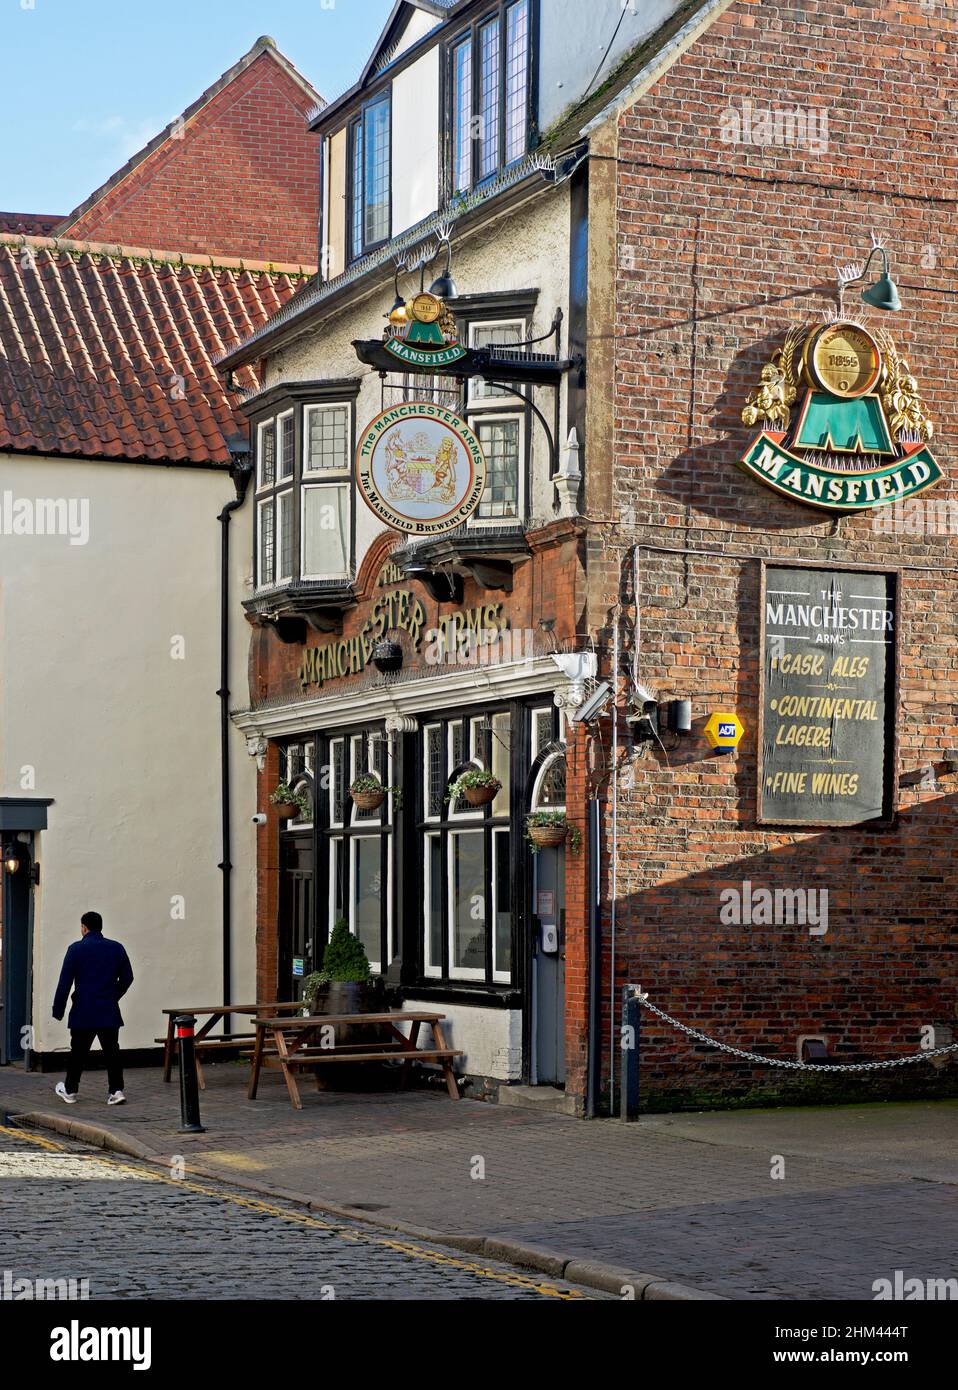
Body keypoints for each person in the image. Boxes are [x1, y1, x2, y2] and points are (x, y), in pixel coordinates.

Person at [52, 911, 134, 1106]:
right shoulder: (116, 948)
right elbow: (128, 977)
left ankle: (70, 1091)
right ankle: (116, 1090)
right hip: (108, 1009)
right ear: (100, 927)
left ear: (84, 927)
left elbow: (64, 983)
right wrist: (113, 996)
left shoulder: (75, 949)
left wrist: (58, 1010)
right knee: (112, 1052)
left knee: (77, 1053)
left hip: (83, 1010)